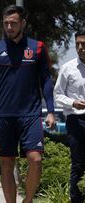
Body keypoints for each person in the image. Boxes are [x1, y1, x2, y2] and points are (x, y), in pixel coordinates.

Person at [0, 5, 56, 203]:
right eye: (6, 23)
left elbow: (46, 80)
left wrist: (51, 111)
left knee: (35, 160)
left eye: (13, 23)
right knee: (6, 162)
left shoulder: (37, 48)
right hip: (3, 115)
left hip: (30, 115)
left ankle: (27, 200)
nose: (9, 27)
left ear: (23, 24)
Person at [54, 28, 85, 203]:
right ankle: (76, 199)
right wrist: (73, 103)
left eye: (84, 44)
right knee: (78, 163)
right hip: (76, 119)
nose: (80, 48)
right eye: (78, 44)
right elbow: (57, 94)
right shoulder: (68, 68)